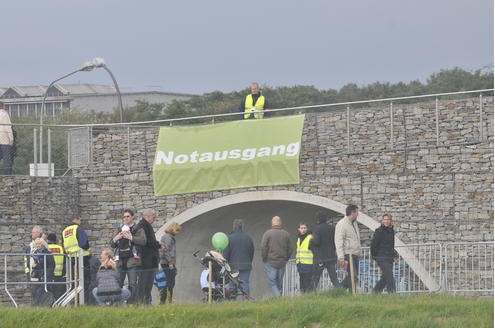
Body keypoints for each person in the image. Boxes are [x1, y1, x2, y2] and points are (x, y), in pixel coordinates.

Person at [110, 209, 147, 304]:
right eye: (124, 217)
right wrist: (115, 239)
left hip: (133, 261)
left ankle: (132, 304)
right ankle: (117, 304)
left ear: (132, 217)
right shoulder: (120, 229)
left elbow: (143, 241)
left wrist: (130, 237)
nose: (125, 218)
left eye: (128, 216)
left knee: (133, 283)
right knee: (118, 283)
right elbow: (112, 244)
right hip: (120, 260)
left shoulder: (138, 229)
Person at [261, 216, 292, 297]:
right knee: (279, 282)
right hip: (282, 262)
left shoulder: (267, 233)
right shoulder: (286, 234)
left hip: (271, 262)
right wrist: (286, 259)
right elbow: (290, 249)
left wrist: (264, 258)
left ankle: (278, 298)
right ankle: (280, 300)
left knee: (272, 282)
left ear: (272, 223)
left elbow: (263, 247)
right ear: (280, 223)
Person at [136, 208, 161, 305]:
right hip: (146, 260)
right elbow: (145, 242)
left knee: (147, 283)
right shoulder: (142, 226)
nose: (154, 219)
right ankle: (143, 301)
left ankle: (146, 301)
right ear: (148, 216)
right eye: (153, 217)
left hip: (149, 259)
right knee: (144, 283)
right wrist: (158, 245)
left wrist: (157, 244)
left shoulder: (146, 226)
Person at [62, 216, 91, 302]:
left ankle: (74, 302)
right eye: (80, 220)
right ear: (77, 220)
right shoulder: (78, 228)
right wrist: (87, 248)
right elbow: (84, 243)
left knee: (73, 282)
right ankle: (84, 302)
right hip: (81, 258)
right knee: (84, 282)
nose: (80, 222)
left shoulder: (64, 231)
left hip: (70, 259)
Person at [223, 219, 255, 297]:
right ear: (242, 227)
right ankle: (246, 300)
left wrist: (225, 264)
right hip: (246, 265)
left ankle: (233, 301)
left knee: (232, 284)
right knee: (245, 284)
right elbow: (252, 251)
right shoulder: (248, 238)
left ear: (233, 227)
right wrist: (249, 261)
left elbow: (226, 253)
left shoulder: (229, 238)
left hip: (233, 266)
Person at [310, 211, 341, 290]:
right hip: (331, 257)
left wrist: (311, 240)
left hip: (320, 258)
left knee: (315, 278)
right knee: (334, 278)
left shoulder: (317, 229)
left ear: (317, 219)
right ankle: (340, 291)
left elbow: (316, 242)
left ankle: (310, 294)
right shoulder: (332, 228)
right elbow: (335, 241)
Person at [335, 204, 361, 292]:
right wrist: (341, 257)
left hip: (355, 254)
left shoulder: (354, 223)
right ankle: (352, 294)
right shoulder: (341, 224)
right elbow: (339, 241)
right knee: (353, 276)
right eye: (357, 212)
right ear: (352, 213)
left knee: (353, 276)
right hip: (348, 254)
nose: (358, 214)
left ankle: (338, 291)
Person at [371, 213, 396, 293]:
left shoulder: (391, 231)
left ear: (391, 221)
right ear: (382, 221)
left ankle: (375, 292)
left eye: (388, 219)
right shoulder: (379, 231)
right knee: (390, 276)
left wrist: (393, 254)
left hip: (389, 258)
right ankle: (392, 294)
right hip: (381, 257)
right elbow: (374, 244)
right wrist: (374, 256)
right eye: (384, 219)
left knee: (385, 277)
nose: (386, 221)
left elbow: (391, 245)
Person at [158, 222, 182, 304]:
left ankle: (166, 300)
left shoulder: (168, 237)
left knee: (170, 282)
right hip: (167, 262)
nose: (178, 233)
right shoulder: (168, 237)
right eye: (177, 230)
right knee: (170, 282)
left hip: (166, 262)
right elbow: (166, 250)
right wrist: (170, 262)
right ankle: (165, 300)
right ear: (173, 229)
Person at [30, 237, 55, 306]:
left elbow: (52, 265)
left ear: (43, 244)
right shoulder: (35, 254)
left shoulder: (47, 253)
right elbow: (38, 266)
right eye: (36, 244)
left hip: (46, 276)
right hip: (39, 276)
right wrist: (34, 266)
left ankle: (47, 306)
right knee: (37, 292)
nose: (37, 245)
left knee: (43, 292)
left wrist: (47, 275)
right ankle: (39, 306)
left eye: (39, 244)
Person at [47, 233, 66, 300]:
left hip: (50, 274)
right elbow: (64, 260)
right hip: (59, 274)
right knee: (58, 294)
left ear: (48, 240)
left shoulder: (47, 248)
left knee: (49, 293)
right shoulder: (60, 248)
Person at [295, 223, 313, 293]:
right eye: (301, 228)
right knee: (301, 281)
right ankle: (303, 295)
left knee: (307, 281)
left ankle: (307, 296)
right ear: (299, 229)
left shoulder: (310, 238)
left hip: (308, 264)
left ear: (307, 229)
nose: (303, 229)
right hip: (300, 263)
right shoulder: (299, 238)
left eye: (304, 228)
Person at [0, 102, 14, 175]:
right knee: (7, 159)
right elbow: (8, 127)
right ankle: (7, 176)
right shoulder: (4, 114)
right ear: (3, 106)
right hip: (4, 139)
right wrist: (11, 138)